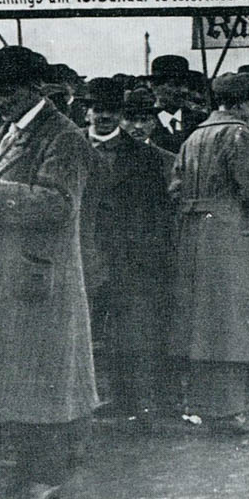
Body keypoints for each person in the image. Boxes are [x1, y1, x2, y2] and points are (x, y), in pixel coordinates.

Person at [0, 46, 97, 499]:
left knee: (43, 375)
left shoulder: (63, 137)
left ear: (35, 88)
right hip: (13, 273)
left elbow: (59, 205)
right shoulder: (12, 130)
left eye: (7, 92)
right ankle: (40, 464)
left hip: (39, 272)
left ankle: (46, 474)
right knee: (25, 373)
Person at [168, 72, 249, 435]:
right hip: (232, 234)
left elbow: (175, 187)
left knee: (203, 325)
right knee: (232, 324)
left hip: (194, 235)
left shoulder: (194, 136)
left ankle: (207, 406)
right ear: (243, 104)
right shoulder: (239, 134)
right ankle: (228, 412)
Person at [79, 78, 177, 429]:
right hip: (82, 250)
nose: (104, 116)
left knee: (130, 331)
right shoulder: (72, 147)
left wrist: (149, 251)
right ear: (87, 112)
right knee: (83, 330)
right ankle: (84, 401)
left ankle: (131, 401)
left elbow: (156, 210)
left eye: (111, 110)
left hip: (129, 255)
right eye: (97, 109)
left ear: (119, 114)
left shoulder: (145, 156)